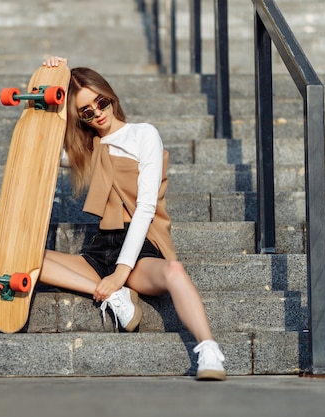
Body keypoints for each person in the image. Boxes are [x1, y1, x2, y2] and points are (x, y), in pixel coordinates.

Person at [38, 56, 226, 381]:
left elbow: (146, 207)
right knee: (27, 259)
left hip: (139, 247)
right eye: (86, 111)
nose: (98, 113)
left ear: (111, 96)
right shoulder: (87, 149)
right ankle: (109, 294)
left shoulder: (144, 134)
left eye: (101, 102)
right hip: (102, 249)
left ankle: (208, 350)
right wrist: (52, 81)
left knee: (175, 271)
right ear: (79, 116)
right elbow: (38, 146)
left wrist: (122, 273)